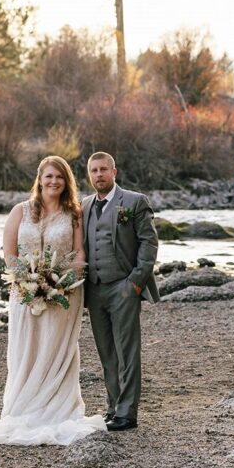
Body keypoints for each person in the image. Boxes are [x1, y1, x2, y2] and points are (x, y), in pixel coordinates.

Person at [0, 156, 107, 446]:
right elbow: (9, 253)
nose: (54, 182)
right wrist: (27, 282)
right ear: (39, 179)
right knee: (26, 350)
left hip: (64, 293)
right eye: (49, 176)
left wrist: (62, 283)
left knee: (56, 349)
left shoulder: (73, 213)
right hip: (23, 293)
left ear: (67, 182)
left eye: (59, 177)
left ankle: (58, 407)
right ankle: (23, 407)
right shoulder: (20, 211)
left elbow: (79, 254)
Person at [81, 151, 159, 432]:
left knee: (127, 351)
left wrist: (135, 282)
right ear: (89, 175)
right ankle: (113, 407)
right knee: (106, 352)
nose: (98, 175)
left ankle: (127, 412)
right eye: (94, 171)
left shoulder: (135, 202)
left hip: (123, 287)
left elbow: (149, 243)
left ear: (114, 172)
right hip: (95, 289)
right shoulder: (85, 205)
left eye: (103, 169)